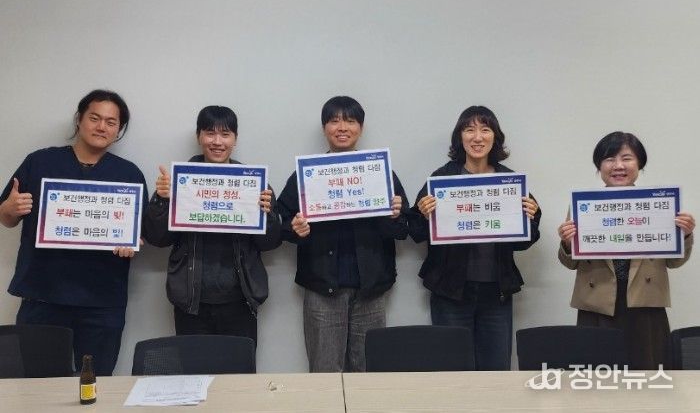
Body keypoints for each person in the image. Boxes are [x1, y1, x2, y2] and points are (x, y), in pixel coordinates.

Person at [0, 89, 148, 376]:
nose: (101, 127)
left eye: (111, 122)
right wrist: (9, 208)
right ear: (79, 119)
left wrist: (132, 244)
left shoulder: (128, 174)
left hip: (102, 301)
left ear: (118, 130)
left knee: (94, 383)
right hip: (43, 295)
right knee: (36, 384)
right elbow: (7, 219)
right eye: (94, 118)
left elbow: (139, 235)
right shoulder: (39, 162)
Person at [275, 95, 409, 372]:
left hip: (371, 288)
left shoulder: (379, 172)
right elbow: (282, 221)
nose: (342, 127)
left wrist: (395, 214)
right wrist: (295, 228)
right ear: (324, 128)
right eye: (334, 121)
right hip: (322, 288)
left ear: (361, 127)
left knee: (369, 373)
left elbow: (403, 228)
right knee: (325, 372)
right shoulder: (307, 174)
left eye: (350, 121)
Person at [409, 105, 541, 370]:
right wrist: (422, 214)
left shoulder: (509, 181)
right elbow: (415, 231)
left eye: (485, 129)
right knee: (453, 368)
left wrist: (531, 217)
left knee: (496, 369)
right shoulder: (442, 178)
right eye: (469, 130)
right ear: (460, 137)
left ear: (495, 137)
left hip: (496, 292)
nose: (477, 137)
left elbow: (524, 241)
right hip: (451, 292)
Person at [142, 106, 280, 343]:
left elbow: (270, 243)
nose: (217, 142)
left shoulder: (254, 184)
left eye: (225, 134)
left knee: (239, 367)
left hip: (241, 298)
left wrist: (266, 215)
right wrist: (162, 200)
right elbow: (157, 238)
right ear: (199, 137)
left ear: (235, 139)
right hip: (190, 300)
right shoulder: (178, 182)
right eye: (210, 133)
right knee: (194, 366)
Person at [557, 131, 695, 369]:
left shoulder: (659, 205)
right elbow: (570, 263)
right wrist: (567, 243)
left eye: (627, 158)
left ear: (639, 164)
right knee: (598, 376)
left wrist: (686, 235)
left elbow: (674, 262)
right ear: (599, 166)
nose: (618, 166)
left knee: (647, 373)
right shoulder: (584, 205)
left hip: (646, 303)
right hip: (597, 304)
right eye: (609, 159)